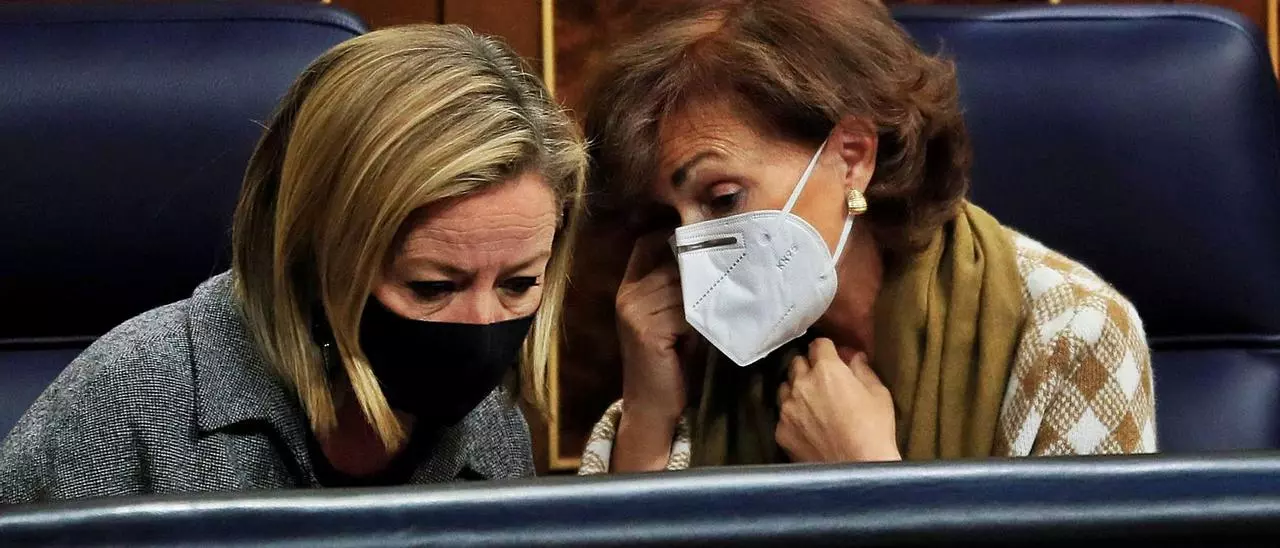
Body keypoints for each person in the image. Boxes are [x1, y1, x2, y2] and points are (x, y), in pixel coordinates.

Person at [0, 24, 586, 503]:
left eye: (518, 284)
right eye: (432, 287)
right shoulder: (132, 398)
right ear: (314, 253)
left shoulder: (491, 425)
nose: (483, 324)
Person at [577, 0, 1154, 475]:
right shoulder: (698, 344)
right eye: (668, 218)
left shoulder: (1072, 333)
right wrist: (648, 417)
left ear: (852, 158)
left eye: (723, 198)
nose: (693, 252)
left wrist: (867, 476)